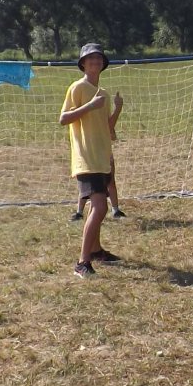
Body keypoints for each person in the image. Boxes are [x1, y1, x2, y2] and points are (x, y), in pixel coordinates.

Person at [59, 43, 123, 276]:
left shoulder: (103, 93)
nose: (95, 61)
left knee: (98, 206)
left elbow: (107, 128)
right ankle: (82, 263)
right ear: (83, 64)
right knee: (100, 207)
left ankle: (96, 251)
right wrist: (89, 105)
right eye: (90, 58)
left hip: (102, 156)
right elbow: (63, 118)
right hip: (86, 157)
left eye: (99, 58)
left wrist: (117, 109)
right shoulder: (77, 87)